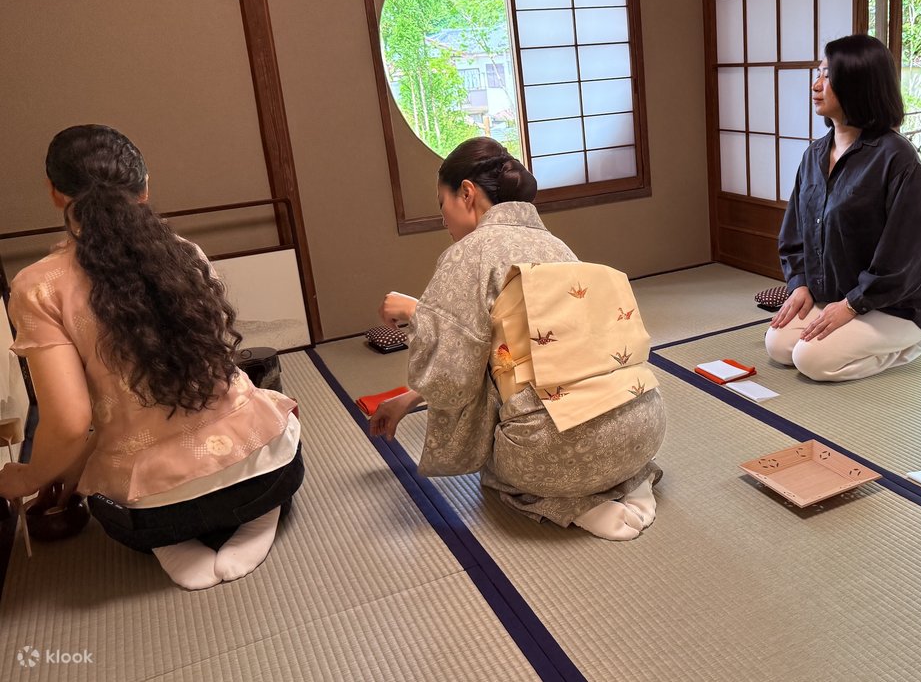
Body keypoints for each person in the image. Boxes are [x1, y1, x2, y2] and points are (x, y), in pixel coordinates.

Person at [0, 125, 303, 589]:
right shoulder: (183, 253)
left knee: (118, 501)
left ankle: (171, 543)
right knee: (276, 431)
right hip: (265, 471)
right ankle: (259, 517)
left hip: (153, 513)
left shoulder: (38, 287)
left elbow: (70, 423)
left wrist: (29, 479)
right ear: (144, 187)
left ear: (56, 192)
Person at [370, 137, 666, 541]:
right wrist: (408, 399)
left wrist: (416, 313)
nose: (442, 219)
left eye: (442, 204)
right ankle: (630, 481)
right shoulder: (556, 246)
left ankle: (579, 503)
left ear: (467, 194)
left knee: (495, 465)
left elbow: (452, 381)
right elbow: (515, 352)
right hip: (646, 429)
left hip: (558, 455)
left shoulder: (469, 253)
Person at [766, 34, 921, 380]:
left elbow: (908, 255)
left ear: (858, 84)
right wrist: (800, 285)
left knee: (811, 359)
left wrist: (852, 305)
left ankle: (918, 341)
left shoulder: (897, 159)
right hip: (837, 297)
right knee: (779, 345)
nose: (816, 85)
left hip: (897, 305)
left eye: (828, 76)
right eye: (818, 74)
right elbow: (794, 234)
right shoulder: (814, 155)